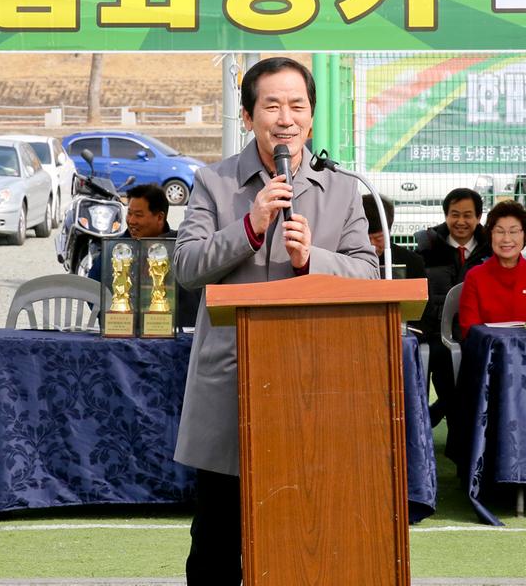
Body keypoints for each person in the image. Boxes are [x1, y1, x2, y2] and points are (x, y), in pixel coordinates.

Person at [173, 57, 377, 585]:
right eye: (271, 105)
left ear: (311, 119)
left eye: (297, 106)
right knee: (217, 540)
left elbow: (369, 274)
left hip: (316, 390)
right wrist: (250, 224)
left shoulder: (343, 188)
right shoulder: (214, 183)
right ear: (247, 116)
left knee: (306, 533)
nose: (285, 118)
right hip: (231, 387)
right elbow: (187, 267)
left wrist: (316, 260)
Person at [414, 187, 491, 426]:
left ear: (478, 218)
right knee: (444, 360)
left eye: (467, 215)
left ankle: (439, 412)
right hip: (436, 332)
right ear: (446, 215)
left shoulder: (491, 247)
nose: (460, 221)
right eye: (454, 214)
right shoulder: (427, 246)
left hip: (478, 331)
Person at [86, 182, 199, 328]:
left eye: (138, 215)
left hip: (171, 335)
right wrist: (112, 318)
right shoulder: (114, 248)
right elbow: (92, 289)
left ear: (159, 217)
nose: (131, 221)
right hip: (121, 333)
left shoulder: (180, 248)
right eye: (129, 213)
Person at [458, 200, 526, 339]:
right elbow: (469, 329)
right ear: (491, 235)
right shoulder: (475, 277)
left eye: (514, 231)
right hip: (489, 354)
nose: (506, 239)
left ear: (524, 234)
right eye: (499, 231)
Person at [361, 193, 426, 280]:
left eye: (379, 238)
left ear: (389, 232)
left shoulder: (412, 262)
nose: (372, 245)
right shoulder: (345, 261)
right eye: (367, 238)